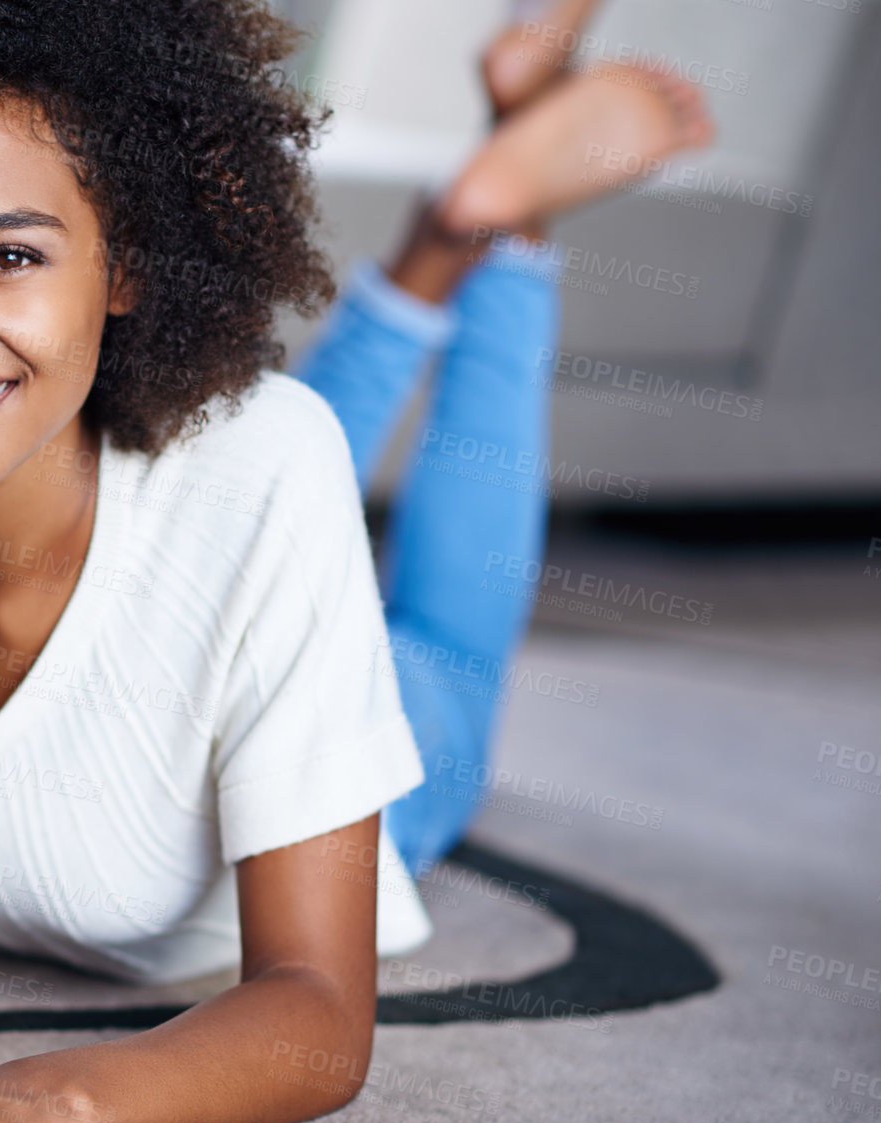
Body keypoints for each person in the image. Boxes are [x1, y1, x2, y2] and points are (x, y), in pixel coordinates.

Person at [0, 2, 709, 1123]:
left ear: (127, 266)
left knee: (432, 626)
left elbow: (318, 1022)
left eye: (8, 254)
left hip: (344, 730)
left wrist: (51, 1106)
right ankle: (453, 226)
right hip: (193, 517)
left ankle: (491, 229)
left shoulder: (260, 466)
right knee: (244, 466)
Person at [294, 0, 714, 876]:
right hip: (337, 761)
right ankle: (461, 226)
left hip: (295, 764)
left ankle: (486, 219)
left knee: (437, 646)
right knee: (417, 641)